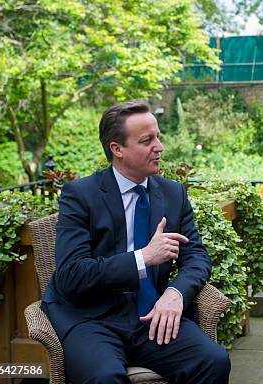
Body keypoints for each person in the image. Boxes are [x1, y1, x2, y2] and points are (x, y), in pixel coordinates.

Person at [41, 101, 231, 384]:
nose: (160, 146)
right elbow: (71, 274)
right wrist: (143, 257)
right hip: (92, 319)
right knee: (104, 378)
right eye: (147, 140)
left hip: (153, 316)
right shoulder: (81, 195)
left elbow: (197, 257)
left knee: (213, 361)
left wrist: (175, 294)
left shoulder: (173, 194)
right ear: (117, 149)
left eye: (158, 136)